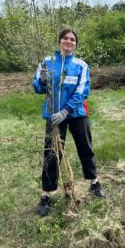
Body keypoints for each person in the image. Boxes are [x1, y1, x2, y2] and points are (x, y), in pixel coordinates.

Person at [33, 28, 105, 216]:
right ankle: (46, 193)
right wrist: (41, 81)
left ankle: (94, 182)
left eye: (72, 39)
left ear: (76, 44)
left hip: (76, 114)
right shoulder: (47, 62)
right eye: (65, 38)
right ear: (59, 41)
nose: (69, 41)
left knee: (85, 147)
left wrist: (66, 111)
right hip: (53, 116)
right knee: (51, 153)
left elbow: (82, 91)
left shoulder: (81, 65)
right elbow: (38, 89)